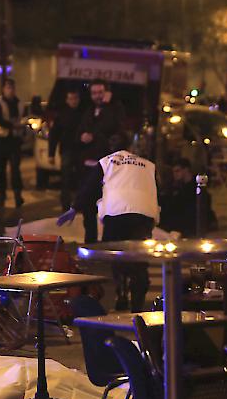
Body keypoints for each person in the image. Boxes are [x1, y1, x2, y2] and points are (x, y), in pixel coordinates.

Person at [57, 132, 158, 312]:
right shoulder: (147, 164)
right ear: (130, 147)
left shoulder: (107, 162)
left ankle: (121, 291)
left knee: (117, 254)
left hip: (116, 212)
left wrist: (75, 207)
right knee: (139, 260)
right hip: (143, 214)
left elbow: (90, 187)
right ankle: (138, 305)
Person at [76, 79, 123, 243]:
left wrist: (106, 106)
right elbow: (80, 129)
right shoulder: (89, 111)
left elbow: (111, 127)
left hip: (105, 165)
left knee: (107, 205)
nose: (97, 96)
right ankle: (90, 241)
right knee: (88, 208)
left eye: (100, 93)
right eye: (94, 93)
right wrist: (82, 136)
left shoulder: (114, 109)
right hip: (88, 164)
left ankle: (108, 241)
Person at [0, 78, 25, 208]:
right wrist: (11, 125)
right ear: (3, 89)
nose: (10, 91)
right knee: (1, 169)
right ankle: (1, 194)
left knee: (16, 169)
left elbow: (23, 118)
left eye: (12, 88)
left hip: (15, 140)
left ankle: (17, 195)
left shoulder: (20, 103)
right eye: (8, 88)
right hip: (1, 140)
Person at [159, 158, 214, 237]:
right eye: (174, 172)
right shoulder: (178, 185)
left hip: (189, 222)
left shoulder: (195, 188)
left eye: (177, 171)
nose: (175, 174)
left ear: (186, 170)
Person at [48, 89, 83, 210]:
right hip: (67, 150)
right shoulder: (61, 115)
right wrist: (51, 154)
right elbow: (54, 135)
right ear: (67, 100)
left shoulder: (83, 113)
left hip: (80, 150)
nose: (73, 101)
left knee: (81, 177)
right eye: (71, 99)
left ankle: (80, 202)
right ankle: (65, 203)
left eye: (75, 98)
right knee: (66, 178)